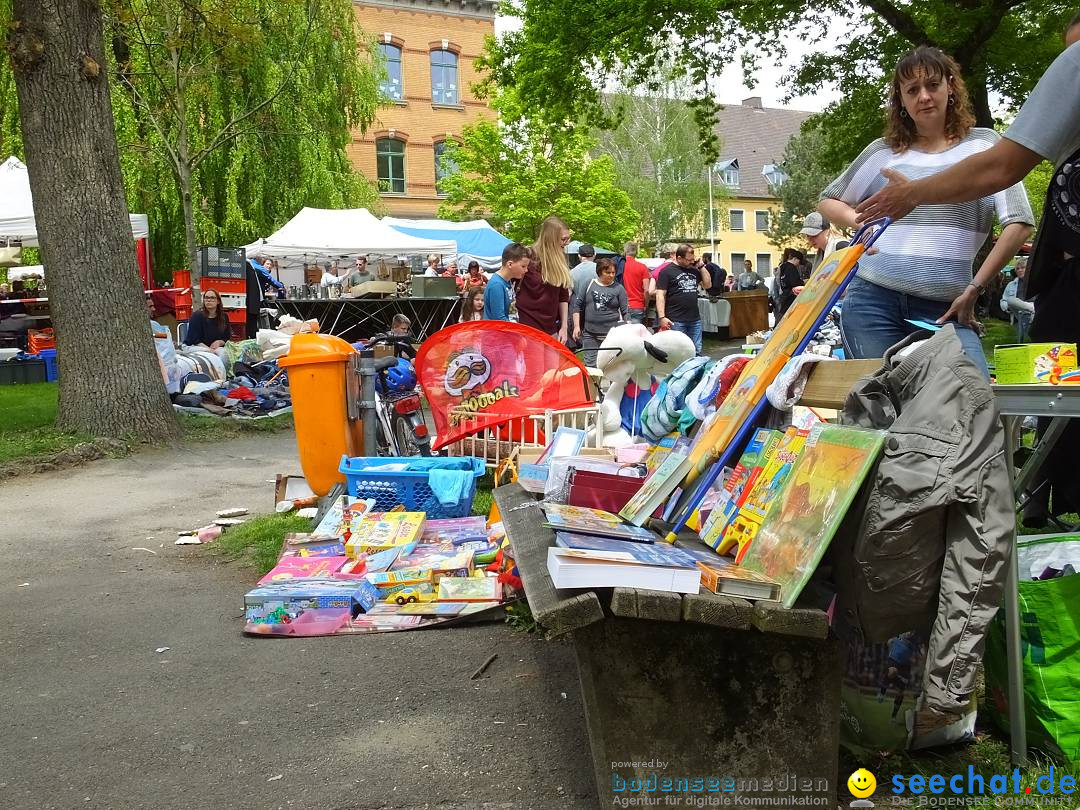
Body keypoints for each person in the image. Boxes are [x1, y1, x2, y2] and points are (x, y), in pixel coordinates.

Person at [818, 46, 1034, 375]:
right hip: (872, 299)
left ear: (951, 87)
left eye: (932, 85)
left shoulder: (985, 146)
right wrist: (861, 225)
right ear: (901, 100)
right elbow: (828, 199)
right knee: (882, 411)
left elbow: (1019, 223)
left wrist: (975, 289)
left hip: (947, 308)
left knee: (968, 405)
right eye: (912, 90)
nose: (924, 97)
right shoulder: (882, 153)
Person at [519, 215, 572, 342]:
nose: (567, 242)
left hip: (551, 329)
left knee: (552, 363)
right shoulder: (528, 257)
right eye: (563, 239)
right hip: (528, 329)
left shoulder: (560, 259)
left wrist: (564, 327)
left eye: (568, 238)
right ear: (551, 238)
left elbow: (563, 296)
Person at [572, 257, 628, 367]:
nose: (611, 275)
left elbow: (625, 311)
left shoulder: (619, 288)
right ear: (599, 271)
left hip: (612, 335)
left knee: (612, 365)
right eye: (608, 272)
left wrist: (628, 326)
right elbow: (577, 307)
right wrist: (576, 326)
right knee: (591, 365)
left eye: (613, 272)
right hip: (590, 334)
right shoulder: (589, 284)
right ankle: (594, 384)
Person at [655, 243, 711, 353]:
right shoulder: (666, 272)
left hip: (694, 319)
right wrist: (662, 317)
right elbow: (660, 294)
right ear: (679, 258)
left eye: (692, 259)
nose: (691, 262)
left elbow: (708, 285)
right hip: (675, 320)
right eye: (688, 259)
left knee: (696, 350)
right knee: (678, 352)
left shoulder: (694, 270)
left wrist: (701, 267)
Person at [484, 242, 530, 321]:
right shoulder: (497, 285)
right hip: (499, 332)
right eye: (523, 266)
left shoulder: (507, 281)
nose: (526, 270)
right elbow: (499, 319)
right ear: (510, 264)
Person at [1000, 258, 1033, 342]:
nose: (1020, 270)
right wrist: (1006, 307)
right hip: (1017, 312)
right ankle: (1029, 309)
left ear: (1028, 268)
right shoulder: (1011, 284)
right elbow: (1004, 300)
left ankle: (1030, 309)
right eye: (1017, 268)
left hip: (1033, 311)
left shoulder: (1035, 282)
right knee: (1011, 301)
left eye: (1022, 267)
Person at [622, 242, 651, 324]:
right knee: (636, 334)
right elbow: (646, 289)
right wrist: (646, 304)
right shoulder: (642, 267)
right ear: (636, 252)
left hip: (621, 305)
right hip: (637, 305)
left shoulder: (619, 266)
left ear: (625, 251)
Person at [775, 247, 804, 319]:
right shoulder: (791, 268)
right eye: (799, 262)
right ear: (795, 259)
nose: (798, 265)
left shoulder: (782, 266)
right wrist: (803, 282)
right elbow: (794, 282)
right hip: (791, 296)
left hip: (784, 294)